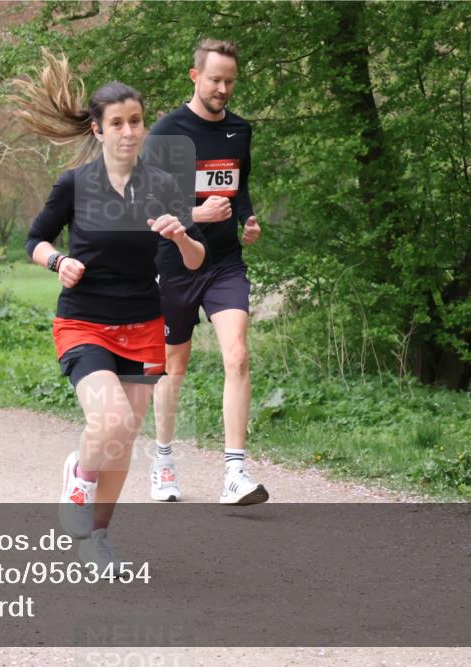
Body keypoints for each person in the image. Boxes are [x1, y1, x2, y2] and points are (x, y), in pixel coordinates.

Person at [15, 53, 206, 565]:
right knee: (112, 419)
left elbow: (195, 258)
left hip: (144, 323)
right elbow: (33, 239)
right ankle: (79, 474)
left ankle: (97, 537)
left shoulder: (162, 185)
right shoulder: (75, 184)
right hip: (84, 321)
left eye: (136, 122)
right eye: (117, 124)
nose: (129, 132)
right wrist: (58, 261)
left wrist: (181, 234)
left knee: (122, 440)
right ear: (98, 131)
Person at [147, 39, 268, 505]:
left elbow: (239, 188)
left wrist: (247, 221)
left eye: (230, 81)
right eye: (215, 79)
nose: (223, 88)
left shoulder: (240, 130)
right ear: (195, 76)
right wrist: (199, 216)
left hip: (223, 264)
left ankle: (235, 473)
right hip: (174, 263)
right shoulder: (166, 134)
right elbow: (152, 208)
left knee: (237, 355)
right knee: (173, 365)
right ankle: (162, 460)